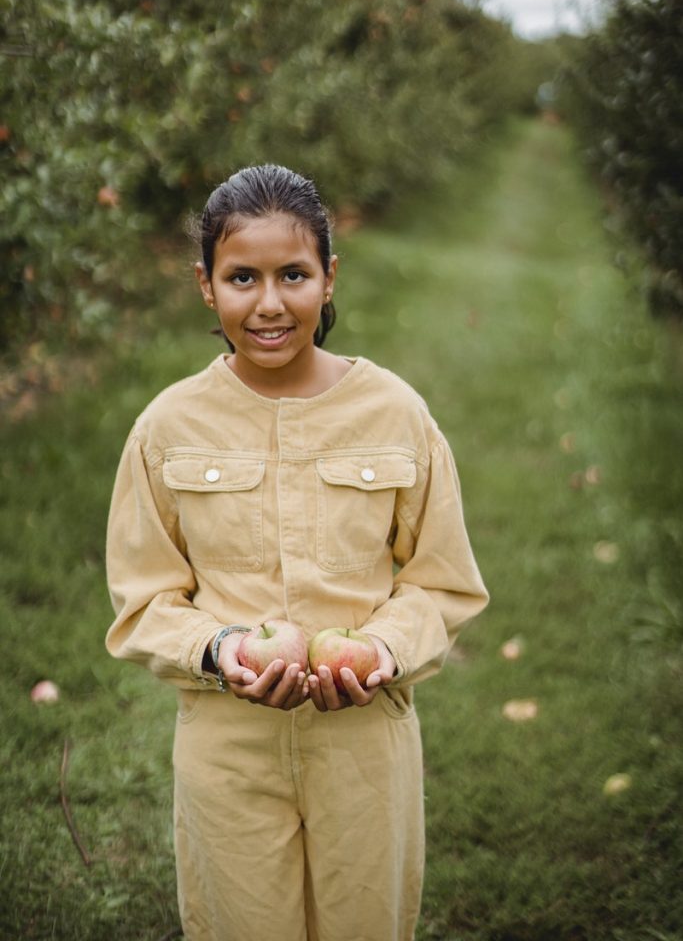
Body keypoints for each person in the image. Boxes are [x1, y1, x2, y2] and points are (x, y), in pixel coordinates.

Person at [105, 164, 489, 941]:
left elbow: (442, 582)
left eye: (294, 274)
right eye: (241, 276)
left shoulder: (394, 413)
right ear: (206, 286)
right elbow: (143, 600)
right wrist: (219, 647)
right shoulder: (168, 427)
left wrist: (384, 646)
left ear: (329, 277)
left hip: (364, 742)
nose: (270, 303)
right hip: (225, 746)